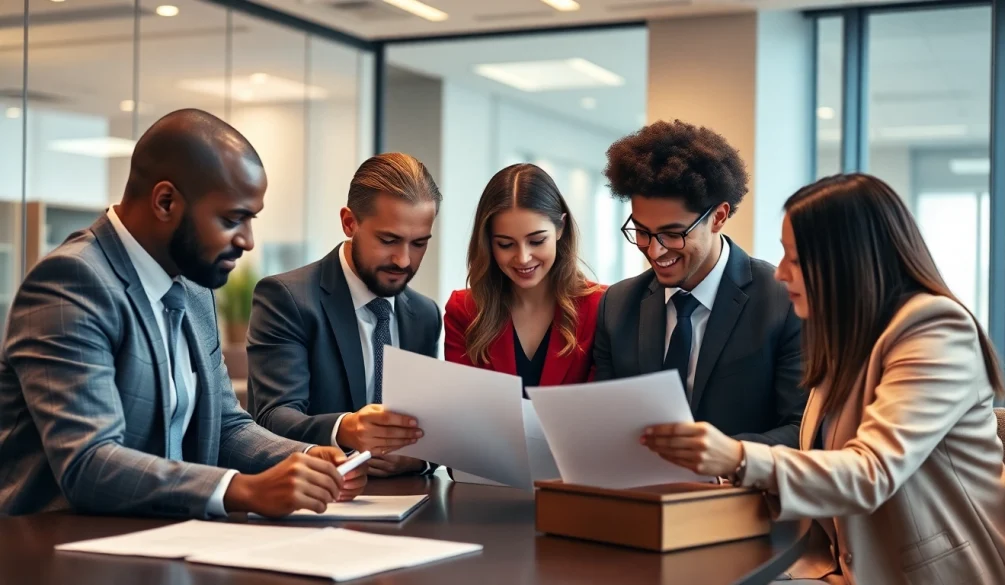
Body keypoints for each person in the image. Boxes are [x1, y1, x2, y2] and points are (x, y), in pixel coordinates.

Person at [643, 173, 1005, 585]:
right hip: (839, 568)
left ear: (850, 259)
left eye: (796, 258)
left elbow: (871, 472)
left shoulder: (936, 329)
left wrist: (737, 457)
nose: (780, 274)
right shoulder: (848, 338)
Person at [0, 109, 366, 518]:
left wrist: (310, 458)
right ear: (165, 201)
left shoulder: (192, 285)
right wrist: (237, 489)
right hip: (56, 552)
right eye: (232, 219)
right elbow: (90, 462)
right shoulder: (72, 282)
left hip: (163, 542)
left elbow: (226, 426)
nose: (247, 241)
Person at [594, 120, 805, 447]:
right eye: (642, 232)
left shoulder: (782, 301)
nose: (655, 250)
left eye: (673, 233)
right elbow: (605, 419)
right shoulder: (618, 305)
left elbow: (802, 428)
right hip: (641, 493)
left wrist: (726, 458)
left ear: (719, 216)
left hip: (742, 492)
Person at [247, 153, 440, 478]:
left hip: (408, 504)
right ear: (349, 222)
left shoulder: (425, 315)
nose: (404, 260)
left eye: (419, 243)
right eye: (388, 240)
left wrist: (417, 460)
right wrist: (345, 429)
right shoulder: (287, 298)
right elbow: (272, 417)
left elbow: (429, 424)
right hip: (313, 500)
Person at [444, 163, 604, 388]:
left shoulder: (602, 307)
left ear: (561, 228)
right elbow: (461, 406)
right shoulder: (465, 311)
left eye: (537, 241)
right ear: (488, 242)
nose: (523, 258)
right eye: (505, 244)